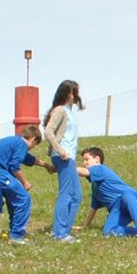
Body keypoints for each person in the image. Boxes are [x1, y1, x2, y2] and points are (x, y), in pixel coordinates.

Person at [79, 147, 137, 240]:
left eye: (87, 159)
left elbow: (83, 171)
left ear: (97, 159)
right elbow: (93, 208)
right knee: (108, 231)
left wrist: (66, 168)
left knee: (126, 195)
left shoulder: (100, 168)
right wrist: (85, 226)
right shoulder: (96, 186)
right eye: (83, 160)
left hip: (130, 201)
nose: (84, 163)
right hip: (118, 209)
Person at [42, 81, 84, 243]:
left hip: (69, 157)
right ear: (68, 93)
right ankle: (60, 233)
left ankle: (65, 231)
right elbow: (48, 132)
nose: (77, 95)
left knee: (77, 196)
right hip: (62, 157)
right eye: (75, 92)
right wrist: (61, 151)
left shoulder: (70, 111)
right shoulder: (60, 110)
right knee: (66, 194)